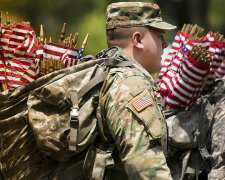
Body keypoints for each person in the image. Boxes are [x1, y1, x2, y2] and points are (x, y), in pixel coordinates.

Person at [95, 2, 176, 179]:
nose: (165, 44)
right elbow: (147, 169)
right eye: (159, 36)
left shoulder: (106, 72)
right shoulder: (132, 86)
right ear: (138, 40)